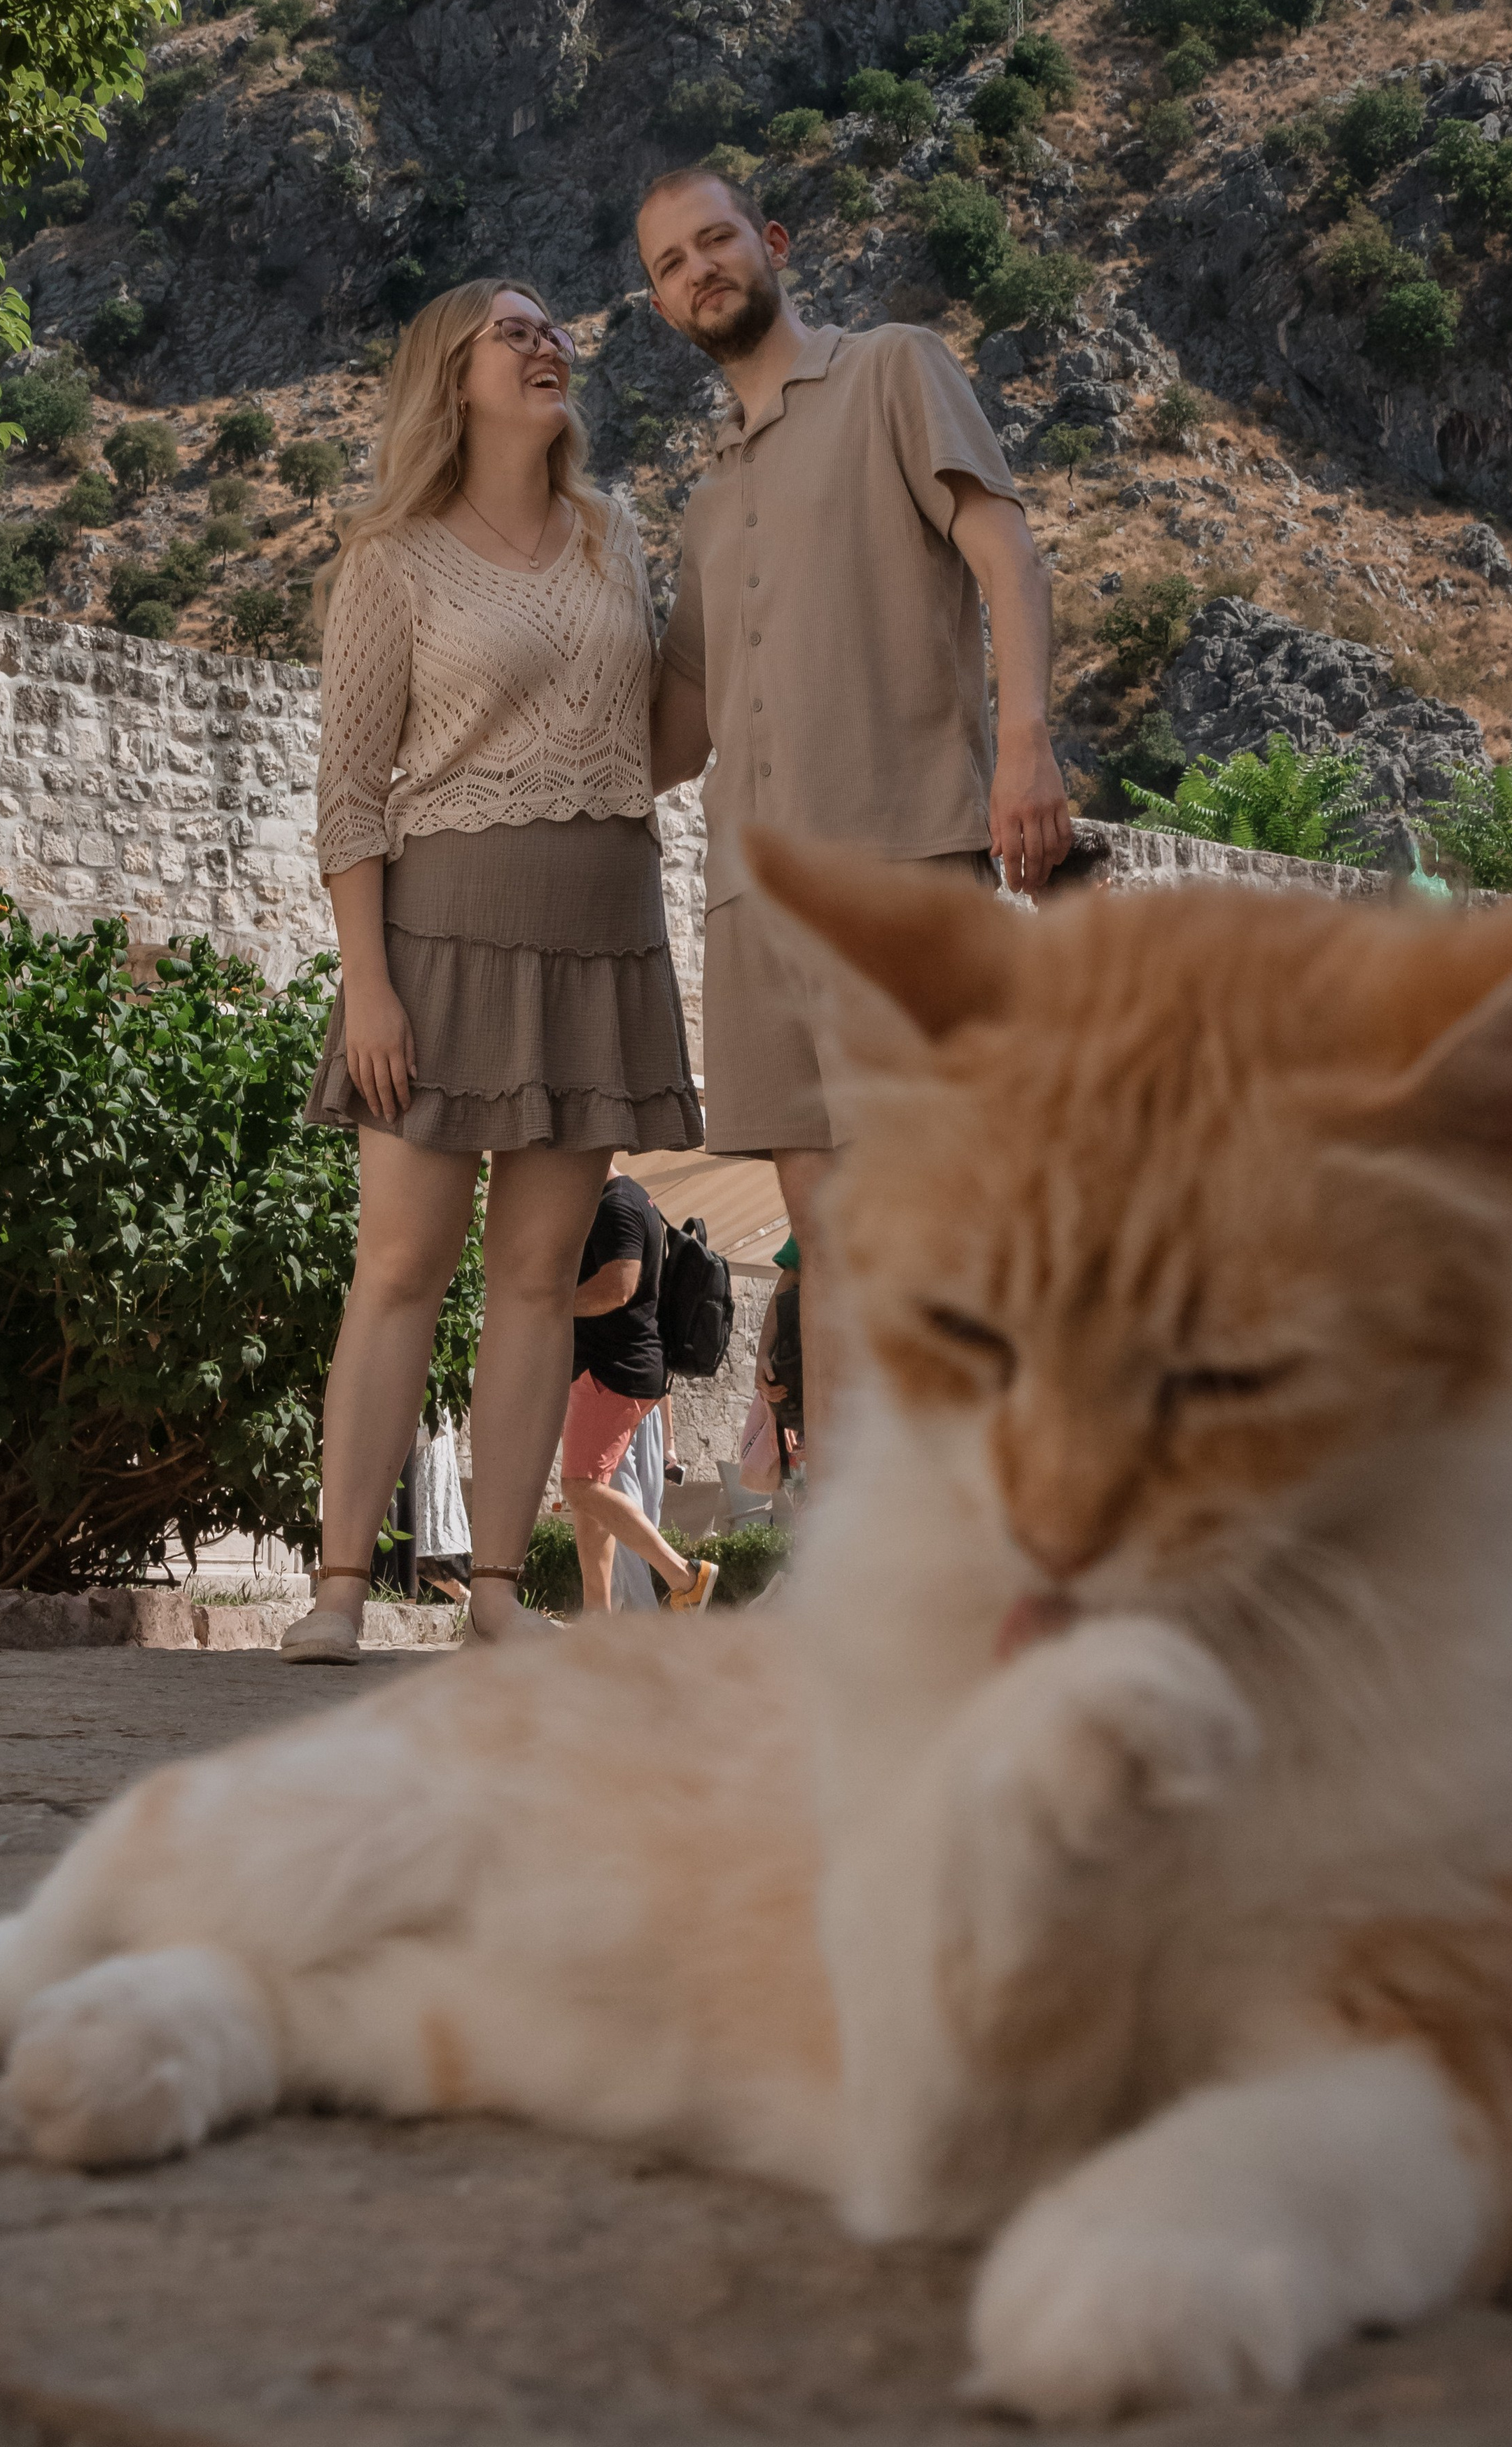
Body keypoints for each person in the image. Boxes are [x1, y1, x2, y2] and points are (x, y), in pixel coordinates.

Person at [282, 279, 703, 1663]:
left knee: (534, 1280)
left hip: (596, 935)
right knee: (397, 1266)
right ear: (448, 378)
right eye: (509, 332)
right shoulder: (392, 560)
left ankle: (500, 1595)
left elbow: (654, 745)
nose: (545, 344)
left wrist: (732, 585)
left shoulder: (608, 533)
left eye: (549, 328)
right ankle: (342, 1586)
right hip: (439, 932)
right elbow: (348, 790)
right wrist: (368, 981)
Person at [640, 167, 1074, 1432]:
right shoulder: (707, 499)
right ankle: (849, 1567)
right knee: (822, 1236)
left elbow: (1010, 555)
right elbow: (676, 726)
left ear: (771, 242)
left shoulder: (893, 368)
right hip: (751, 899)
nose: (698, 269)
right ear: (661, 304)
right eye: (669, 263)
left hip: (901, 860)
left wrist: (1026, 748)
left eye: (715, 240)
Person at [562, 1168, 718, 1615]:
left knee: (581, 1487)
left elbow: (620, 1284)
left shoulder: (617, 1204)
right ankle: (599, 1617)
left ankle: (685, 1577)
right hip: (621, 1369)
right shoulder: (634, 1197)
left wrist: (555, 1302)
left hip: (614, 1371)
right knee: (593, 1494)